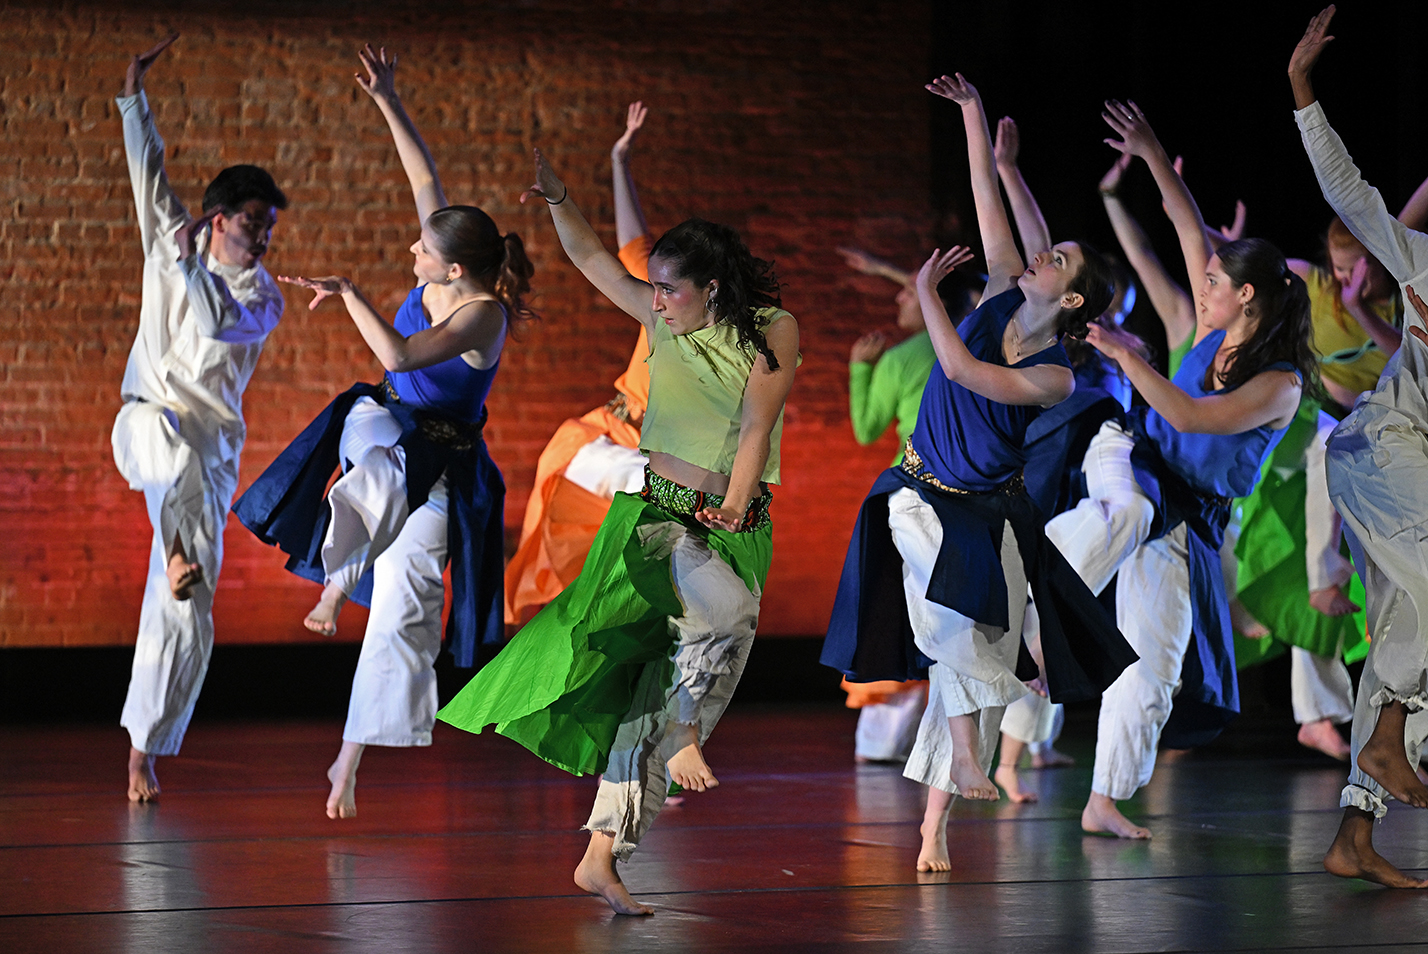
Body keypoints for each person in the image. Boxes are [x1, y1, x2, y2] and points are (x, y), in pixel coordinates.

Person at [436, 146, 799, 915]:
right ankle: (685, 728)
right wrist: (564, 201)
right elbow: (596, 260)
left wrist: (735, 506)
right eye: (654, 288)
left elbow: (759, 428)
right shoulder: (661, 321)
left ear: (711, 287)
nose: (656, 301)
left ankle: (603, 854)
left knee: (663, 693)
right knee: (722, 619)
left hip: (736, 524)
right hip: (658, 520)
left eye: (670, 289)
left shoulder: (772, 329)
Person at [822, 73, 1135, 873]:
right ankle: (964, 762)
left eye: (1056, 258)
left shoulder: (1060, 377)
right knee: (949, 630)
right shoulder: (1000, 285)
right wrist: (972, 121)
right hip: (916, 493)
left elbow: (960, 372)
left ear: (1070, 301)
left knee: (986, 665)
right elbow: (991, 206)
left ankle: (933, 823)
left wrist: (924, 290)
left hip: (990, 511)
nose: (1038, 255)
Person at [233, 46, 534, 819]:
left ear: (454, 269)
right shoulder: (450, 269)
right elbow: (423, 178)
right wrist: (389, 100)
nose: (412, 252)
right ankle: (337, 582)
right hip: (382, 425)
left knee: (405, 612)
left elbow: (399, 351)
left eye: (421, 253)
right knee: (381, 462)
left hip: (446, 463)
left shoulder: (482, 316)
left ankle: (347, 760)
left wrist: (348, 292)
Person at [1077, 100, 1316, 839]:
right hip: (1131, 464)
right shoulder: (1210, 325)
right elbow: (1187, 225)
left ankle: (1102, 800)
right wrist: (1151, 151)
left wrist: (1124, 356)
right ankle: (1037, 614)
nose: (1200, 282)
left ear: (1244, 295)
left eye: (1213, 278)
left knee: (1154, 673)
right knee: (1125, 513)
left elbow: (1192, 418)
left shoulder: (1279, 383)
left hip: (1188, 523)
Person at [111, 34, 287, 803]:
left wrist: (190, 264)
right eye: (253, 222)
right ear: (219, 218)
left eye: (269, 227)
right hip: (145, 424)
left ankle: (143, 750)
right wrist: (131, 95)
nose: (262, 236)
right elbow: (147, 174)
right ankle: (175, 548)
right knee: (168, 447)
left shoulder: (261, 297)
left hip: (210, 456)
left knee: (186, 614)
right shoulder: (170, 243)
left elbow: (218, 321)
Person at [1289, 6, 1428, 889]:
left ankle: (1352, 834)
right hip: (1375, 450)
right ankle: (1382, 741)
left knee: (1401, 635)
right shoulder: (1417, 264)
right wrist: (1302, 88)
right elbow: (1353, 196)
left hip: (1408, 470)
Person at [504, 102, 658, 625]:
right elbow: (610, 253)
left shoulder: (729, 346)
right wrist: (615, 161)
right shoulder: (660, 306)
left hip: (658, 469)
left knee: (634, 583)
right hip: (605, 438)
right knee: (567, 571)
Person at [839, 247, 976, 763]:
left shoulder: (900, 358)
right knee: (954, 611)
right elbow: (961, 295)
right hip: (968, 493)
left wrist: (858, 369)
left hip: (913, 489)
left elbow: (866, 428)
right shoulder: (975, 344)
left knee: (901, 605)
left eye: (907, 290)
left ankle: (885, 739)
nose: (900, 296)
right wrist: (890, 269)